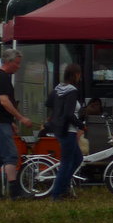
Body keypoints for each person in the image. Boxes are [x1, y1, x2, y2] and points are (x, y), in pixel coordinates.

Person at [0, 48, 34, 199]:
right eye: (17, 63)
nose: (18, 67)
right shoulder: (3, 77)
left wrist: (9, 121)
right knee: (11, 155)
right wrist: (21, 118)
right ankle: (15, 192)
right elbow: (4, 101)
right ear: (9, 62)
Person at [46, 64, 86, 201]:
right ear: (75, 74)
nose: (80, 77)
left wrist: (58, 112)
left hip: (59, 129)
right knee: (67, 162)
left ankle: (64, 187)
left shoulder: (58, 88)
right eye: (79, 74)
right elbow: (70, 115)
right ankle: (57, 194)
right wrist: (82, 126)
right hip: (69, 130)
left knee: (77, 159)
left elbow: (48, 103)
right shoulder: (72, 90)